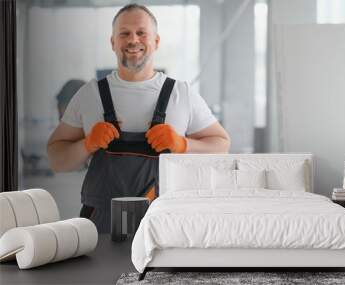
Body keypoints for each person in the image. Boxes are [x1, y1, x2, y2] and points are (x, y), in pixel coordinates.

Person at [47, 3, 230, 233]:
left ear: (156, 41)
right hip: (102, 229)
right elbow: (56, 159)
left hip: (165, 226)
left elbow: (221, 145)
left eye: (141, 32)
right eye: (124, 33)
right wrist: (87, 144)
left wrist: (182, 144)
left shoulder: (181, 94)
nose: (133, 40)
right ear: (113, 42)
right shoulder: (89, 95)